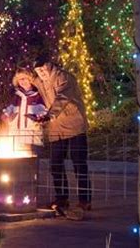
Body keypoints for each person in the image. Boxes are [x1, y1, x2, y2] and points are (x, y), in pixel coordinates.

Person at [32, 55, 92, 211]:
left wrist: (49, 115)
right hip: (55, 128)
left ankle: (84, 200)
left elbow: (63, 97)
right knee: (55, 164)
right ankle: (62, 198)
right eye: (38, 70)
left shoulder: (63, 77)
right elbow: (28, 88)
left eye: (43, 68)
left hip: (74, 125)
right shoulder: (38, 82)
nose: (41, 72)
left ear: (50, 65)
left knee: (79, 163)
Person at [2, 68, 47, 156]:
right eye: (19, 79)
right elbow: (10, 108)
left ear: (30, 79)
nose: (22, 81)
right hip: (16, 137)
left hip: (32, 138)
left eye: (24, 78)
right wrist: (6, 114)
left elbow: (43, 111)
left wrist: (38, 118)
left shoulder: (38, 95)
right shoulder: (17, 96)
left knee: (32, 163)